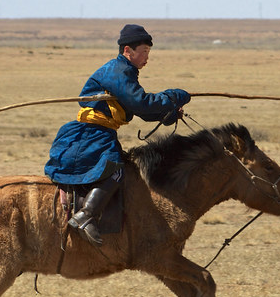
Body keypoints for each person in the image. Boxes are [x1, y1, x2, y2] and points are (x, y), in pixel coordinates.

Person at [45, 24, 190, 246]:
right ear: (127, 51)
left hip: (101, 133)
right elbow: (141, 103)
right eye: (143, 52)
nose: (146, 57)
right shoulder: (116, 71)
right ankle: (86, 216)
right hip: (90, 135)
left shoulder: (126, 73)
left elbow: (140, 111)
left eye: (148, 53)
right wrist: (174, 96)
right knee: (115, 171)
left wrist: (169, 114)